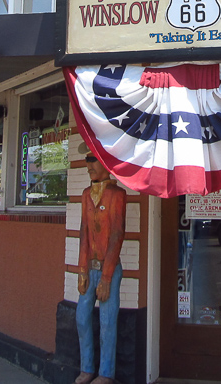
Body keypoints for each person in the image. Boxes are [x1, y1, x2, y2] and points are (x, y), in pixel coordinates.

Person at [75, 149, 126, 384]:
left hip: (108, 269)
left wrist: (106, 277)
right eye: (87, 161)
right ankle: (86, 367)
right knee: (82, 317)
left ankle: (106, 372)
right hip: (90, 267)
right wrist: (82, 270)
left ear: (105, 162)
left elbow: (117, 235)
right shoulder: (86, 194)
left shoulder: (117, 195)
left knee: (107, 321)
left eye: (92, 160)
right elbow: (84, 233)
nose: (88, 166)